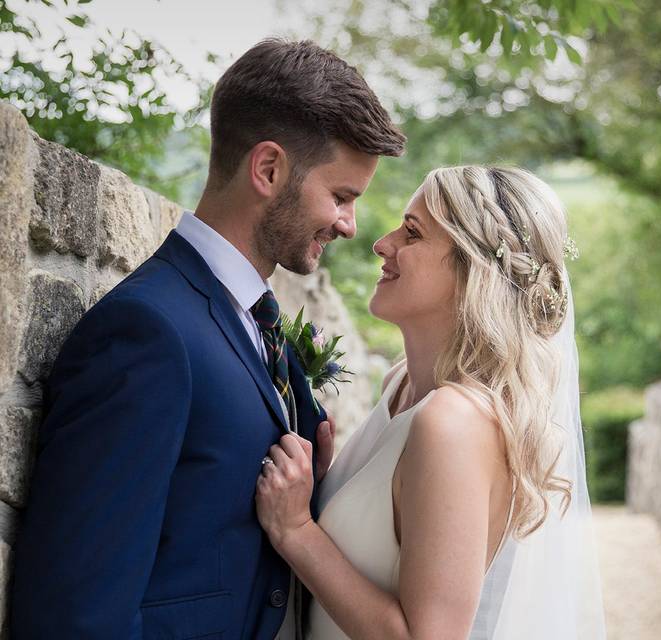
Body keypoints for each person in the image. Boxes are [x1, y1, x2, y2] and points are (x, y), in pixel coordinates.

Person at [11, 39, 404, 639]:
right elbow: (75, 611)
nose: (349, 225)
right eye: (341, 196)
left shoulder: (257, 324)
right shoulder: (147, 332)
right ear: (268, 169)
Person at [256, 166, 606, 639]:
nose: (382, 243)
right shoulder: (402, 385)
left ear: (471, 269)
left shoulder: (453, 423)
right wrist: (325, 485)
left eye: (412, 233)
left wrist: (295, 531)